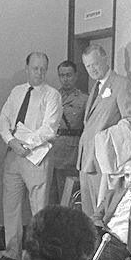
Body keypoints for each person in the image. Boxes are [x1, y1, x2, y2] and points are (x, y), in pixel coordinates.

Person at [0, 52, 62, 260]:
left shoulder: (52, 95)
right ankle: (12, 250)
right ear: (27, 68)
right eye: (35, 68)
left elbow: (50, 127)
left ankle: (38, 255)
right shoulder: (17, 91)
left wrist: (27, 144)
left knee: (39, 209)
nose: (39, 72)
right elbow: (4, 119)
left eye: (43, 68)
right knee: (11, 205)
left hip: (37, 157)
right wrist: (11, 141)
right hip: (14, 154)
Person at [78, 44, 131, 216]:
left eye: (95, 63)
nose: (92, 69)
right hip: (86, 160)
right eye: (88, 66)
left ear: (106, 59)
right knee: (88, 216)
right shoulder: (96, 87)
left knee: (102, 215)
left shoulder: (121, 84)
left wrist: (106, 138)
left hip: (103, 162)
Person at [48, 60, 88, 205]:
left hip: (71, 152)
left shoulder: (84, 99)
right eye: (62, 75)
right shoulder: (51, 96)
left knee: (67, 195)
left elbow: (87, 127)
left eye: (69, 75)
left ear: (76, 76)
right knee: (50, 196)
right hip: (51, 150)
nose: (65, 79)